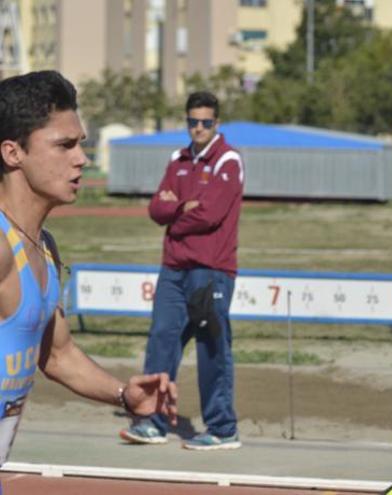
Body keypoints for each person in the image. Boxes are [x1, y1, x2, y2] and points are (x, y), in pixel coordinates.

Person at [0, 70, 178, 464]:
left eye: (80, 143)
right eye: (64, 145)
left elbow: (58, 355)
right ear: (13, 153)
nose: (82, 158)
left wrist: (125, 396)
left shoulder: (43, 248)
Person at [120, 91, 243, 451]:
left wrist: (178, 211)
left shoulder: (229, 160)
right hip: (173, 268)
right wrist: (179, 208)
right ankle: (153, 422)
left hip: (211, 270)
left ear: (216, 123)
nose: (199, 128)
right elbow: (156, 209)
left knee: (212, 347)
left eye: (206, 122)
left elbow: (210, 215)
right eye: (193, 122)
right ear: (187, 122)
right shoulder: (178, 159)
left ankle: (222, 429)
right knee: (162, 342)